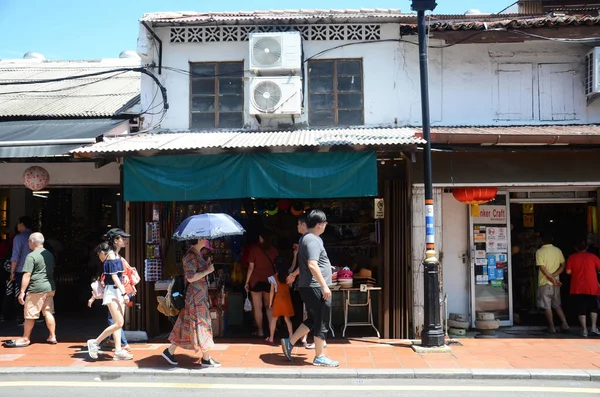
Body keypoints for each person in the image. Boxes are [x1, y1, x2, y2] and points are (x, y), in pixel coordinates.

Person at [281, 209, 338, 367]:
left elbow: (308, 264)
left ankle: (289, 342)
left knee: (314, 319)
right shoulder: (312, 240)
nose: (326, 225)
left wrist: (293, 275)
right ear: (319, 224)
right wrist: (324, 286)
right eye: (325, 223)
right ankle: (319, 356)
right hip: (315, 287)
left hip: (309, 286)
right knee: (321, 320)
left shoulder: (307, 239)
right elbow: (312, 264)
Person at [161, 238, 220, 368]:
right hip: (195, 297)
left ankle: (170, 351)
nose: (206, 240)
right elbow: (190, 277)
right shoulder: (190, 256)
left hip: (198, 296)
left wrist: (206, 265)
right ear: (199, 239)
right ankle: (206, 358)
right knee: (202, 323)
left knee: (185, 323)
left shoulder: (197, 254)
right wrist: (207, 271)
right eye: (204, 237)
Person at [3, 232, 56, 347]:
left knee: (29, 314)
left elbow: (27, 275)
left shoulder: (31, 256)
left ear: (32, 242)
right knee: (48, 312)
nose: (28, 243)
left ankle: (26, 338)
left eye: (28, 241)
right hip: (49, 287)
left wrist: (22, 292)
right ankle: (52, 336)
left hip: (36, 288)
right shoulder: (49, 254)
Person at [87, 229, 136, 351]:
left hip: (117, 291)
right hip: (113, 291)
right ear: (115, 240)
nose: (125, 240)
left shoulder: (115, 255)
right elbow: (114, 277)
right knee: (119, 323)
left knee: (117, 323)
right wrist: (124, 293)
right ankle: (95, 342)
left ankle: (118, 350)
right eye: (122, 238)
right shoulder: (112, 255)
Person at [244, 230, 278, 338]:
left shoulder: (254, 250)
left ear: (261, 237)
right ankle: (271, 330)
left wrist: (246, 282)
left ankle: (260, 331)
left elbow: (250, 267)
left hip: (255, 280)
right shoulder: (274, 251)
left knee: (257, 307)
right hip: (269, 280)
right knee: (269, 306)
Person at [536, 231, 569, 334]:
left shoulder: (540, 252)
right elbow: (563, 266)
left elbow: (543, 268)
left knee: (547, 306)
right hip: (556, 283)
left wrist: (550, 278)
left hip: (545, 283)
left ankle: (552, 327)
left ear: (541, 240)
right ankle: (565, 324)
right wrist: (554, 277)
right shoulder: (557, 250)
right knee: (557, 305)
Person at [566, 240, 600, 337]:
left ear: (576, 248)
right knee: (594, 307)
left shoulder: (572, 257)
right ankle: (593, 327)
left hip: (577, 286)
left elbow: (568, 272)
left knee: (581, 307)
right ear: (587, 247)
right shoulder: (593, 257)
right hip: (592, 286)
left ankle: (584, 330)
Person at [9, 216, 33, 325]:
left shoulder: (18, 238)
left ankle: (23, 317)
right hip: (34, 270)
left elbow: (15, 256)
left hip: (21, 270)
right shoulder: (34, 237)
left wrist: (12, 272)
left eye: (18, 223)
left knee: (21, 294)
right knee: (33, 293)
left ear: (22, 224)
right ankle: (34, 315)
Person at [266, 258, 295, 344]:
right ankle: (291, 337)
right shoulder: (288, 276)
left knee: (274, 319)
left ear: (275, 267)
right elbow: (293, 267)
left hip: (278, 299)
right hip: (287, 299)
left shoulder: (273, 277)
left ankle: (271, 338)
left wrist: (270, 302)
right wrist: (295, 255)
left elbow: (271, 291)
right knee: (287, 319)